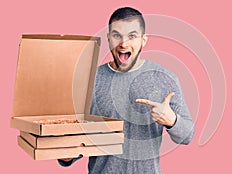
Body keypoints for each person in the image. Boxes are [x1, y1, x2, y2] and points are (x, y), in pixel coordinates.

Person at [58, 7, 194, 174]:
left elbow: (187, 135)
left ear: (143, 40)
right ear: (108, 39)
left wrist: (171, 120)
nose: (123, 43)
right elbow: (79, 140)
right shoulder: (89, 81)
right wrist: (66, 154)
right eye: (117, 35)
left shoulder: (165, 78)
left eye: (132, 36)